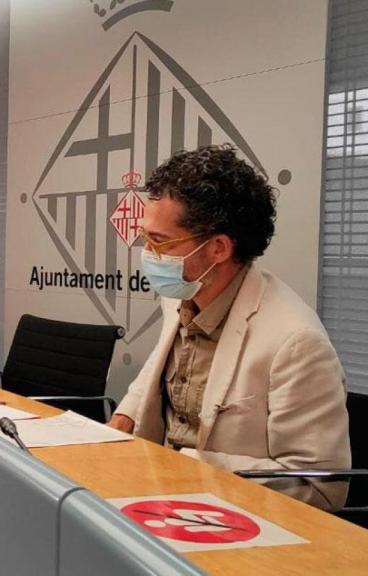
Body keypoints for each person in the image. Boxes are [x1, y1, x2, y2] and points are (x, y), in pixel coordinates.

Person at [107, 145, 350, 511]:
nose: (147, 253)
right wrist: (126, 415)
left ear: (218, 248)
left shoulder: (296, 342)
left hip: (232, 523)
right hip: (158, 500)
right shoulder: (180, 295)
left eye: (159, 241)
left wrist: (188, 467)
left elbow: (320, 489)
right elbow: (162, 369)